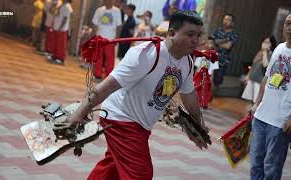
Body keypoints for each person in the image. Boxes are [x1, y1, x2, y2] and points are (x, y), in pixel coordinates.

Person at [67, 10, 207, 180]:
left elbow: (189, 95)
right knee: (140, 174)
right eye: (190, 34)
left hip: (142, 125)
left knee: (112, 167)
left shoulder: (187, 62)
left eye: (199, 35)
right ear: (172, 33)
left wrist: (198, 125)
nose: (196, 40)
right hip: (121, 119)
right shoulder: (146, 54)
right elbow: (108, 85)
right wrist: (80, 112)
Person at [250, 14, 291, 180]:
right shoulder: (279, 48)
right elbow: (267, 78)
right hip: (261, 117)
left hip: (281, 122)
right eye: (288, 23)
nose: (290, 27)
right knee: (256, 163)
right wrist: (256, 104)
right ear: (283, 26)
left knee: (272, 167)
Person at [92, 0, 122, 80]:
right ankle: (97, 74)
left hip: (111, 39)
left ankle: (108, 76)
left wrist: (117, 38)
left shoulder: (117, 11)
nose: (109, 1)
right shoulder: (99, 10)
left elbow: (119, 26)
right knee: (98, 57)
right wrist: (94, 37)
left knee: (110, 59)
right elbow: (95, 24)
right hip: (99, 38)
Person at [241, 36, 277, 104]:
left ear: (271, 45)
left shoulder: (271, 54)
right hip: (252, 79)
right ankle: (249, 114)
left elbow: (266, 65)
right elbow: (253, 65)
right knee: (249, 100)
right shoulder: (259, 52)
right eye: (264, 42)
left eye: (267, 42)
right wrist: (248, 76)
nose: (264, 44)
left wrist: (265, 52)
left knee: (256, 101)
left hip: (260, 82)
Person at [211, 13, 238, 92]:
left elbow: (228, 46)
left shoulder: (233, 34)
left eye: (228, 20)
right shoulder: (217, 30)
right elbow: (210, 42)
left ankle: (213, 99)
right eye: (225, 19)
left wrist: (216, 42)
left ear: (232, 23)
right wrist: (224, 40)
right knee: (206, 78)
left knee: (217, 81)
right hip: (211, 58)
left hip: (223, 61)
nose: (226, 21)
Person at [51, 0, 73, 65]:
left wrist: (60, 28)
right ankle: (55, 56)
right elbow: (55, 13)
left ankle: (60, 58)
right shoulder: (61, 4)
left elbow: (65, 19)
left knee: (61, 45)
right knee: (56, 43)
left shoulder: (67, 7)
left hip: (62, 29)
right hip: (57, 26)